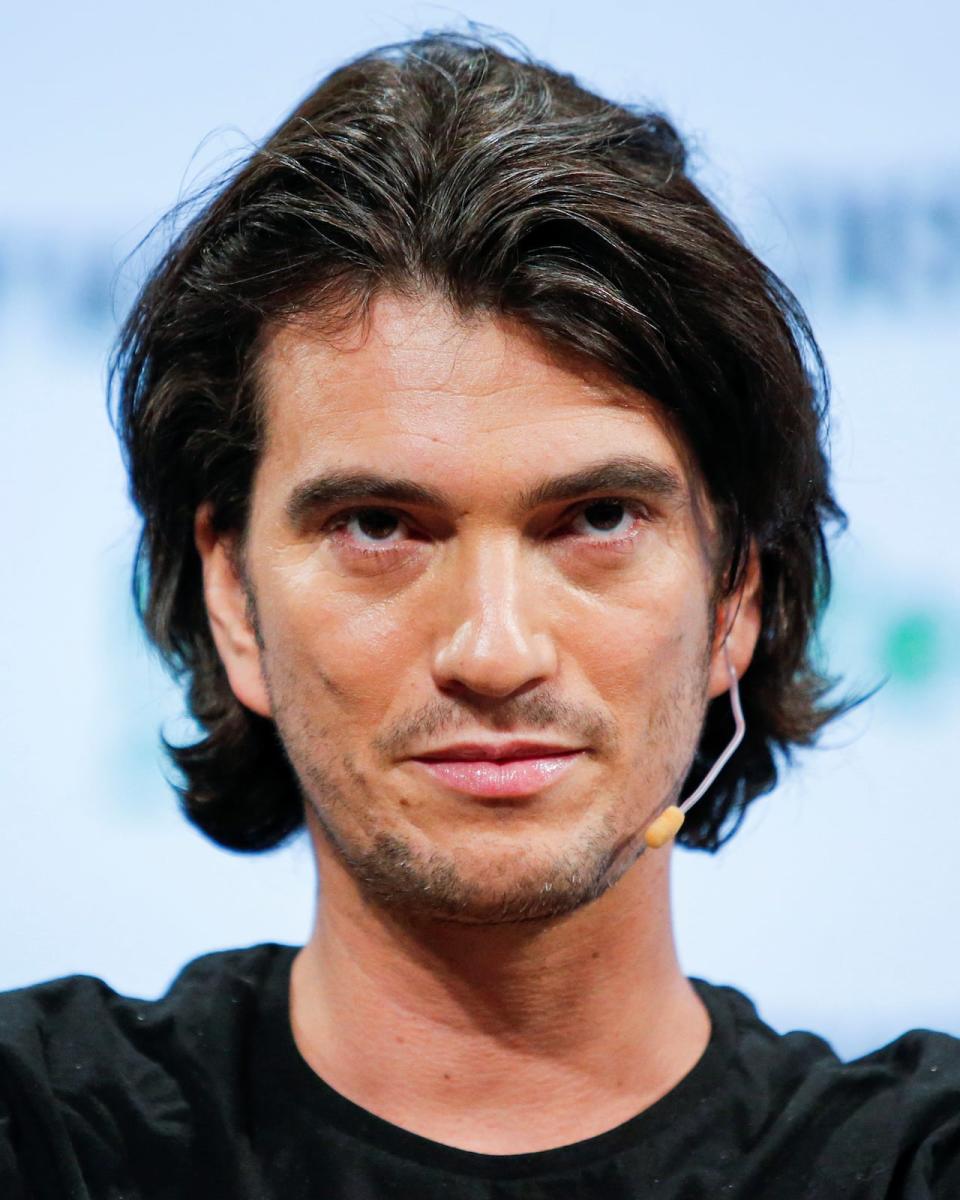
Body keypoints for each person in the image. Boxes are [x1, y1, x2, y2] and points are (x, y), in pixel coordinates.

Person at [2, 32, 958, 1199]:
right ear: (233, 599)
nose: (495, 652)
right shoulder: (48, 1137)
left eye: (598, 518)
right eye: (377, 527)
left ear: (733, 601)